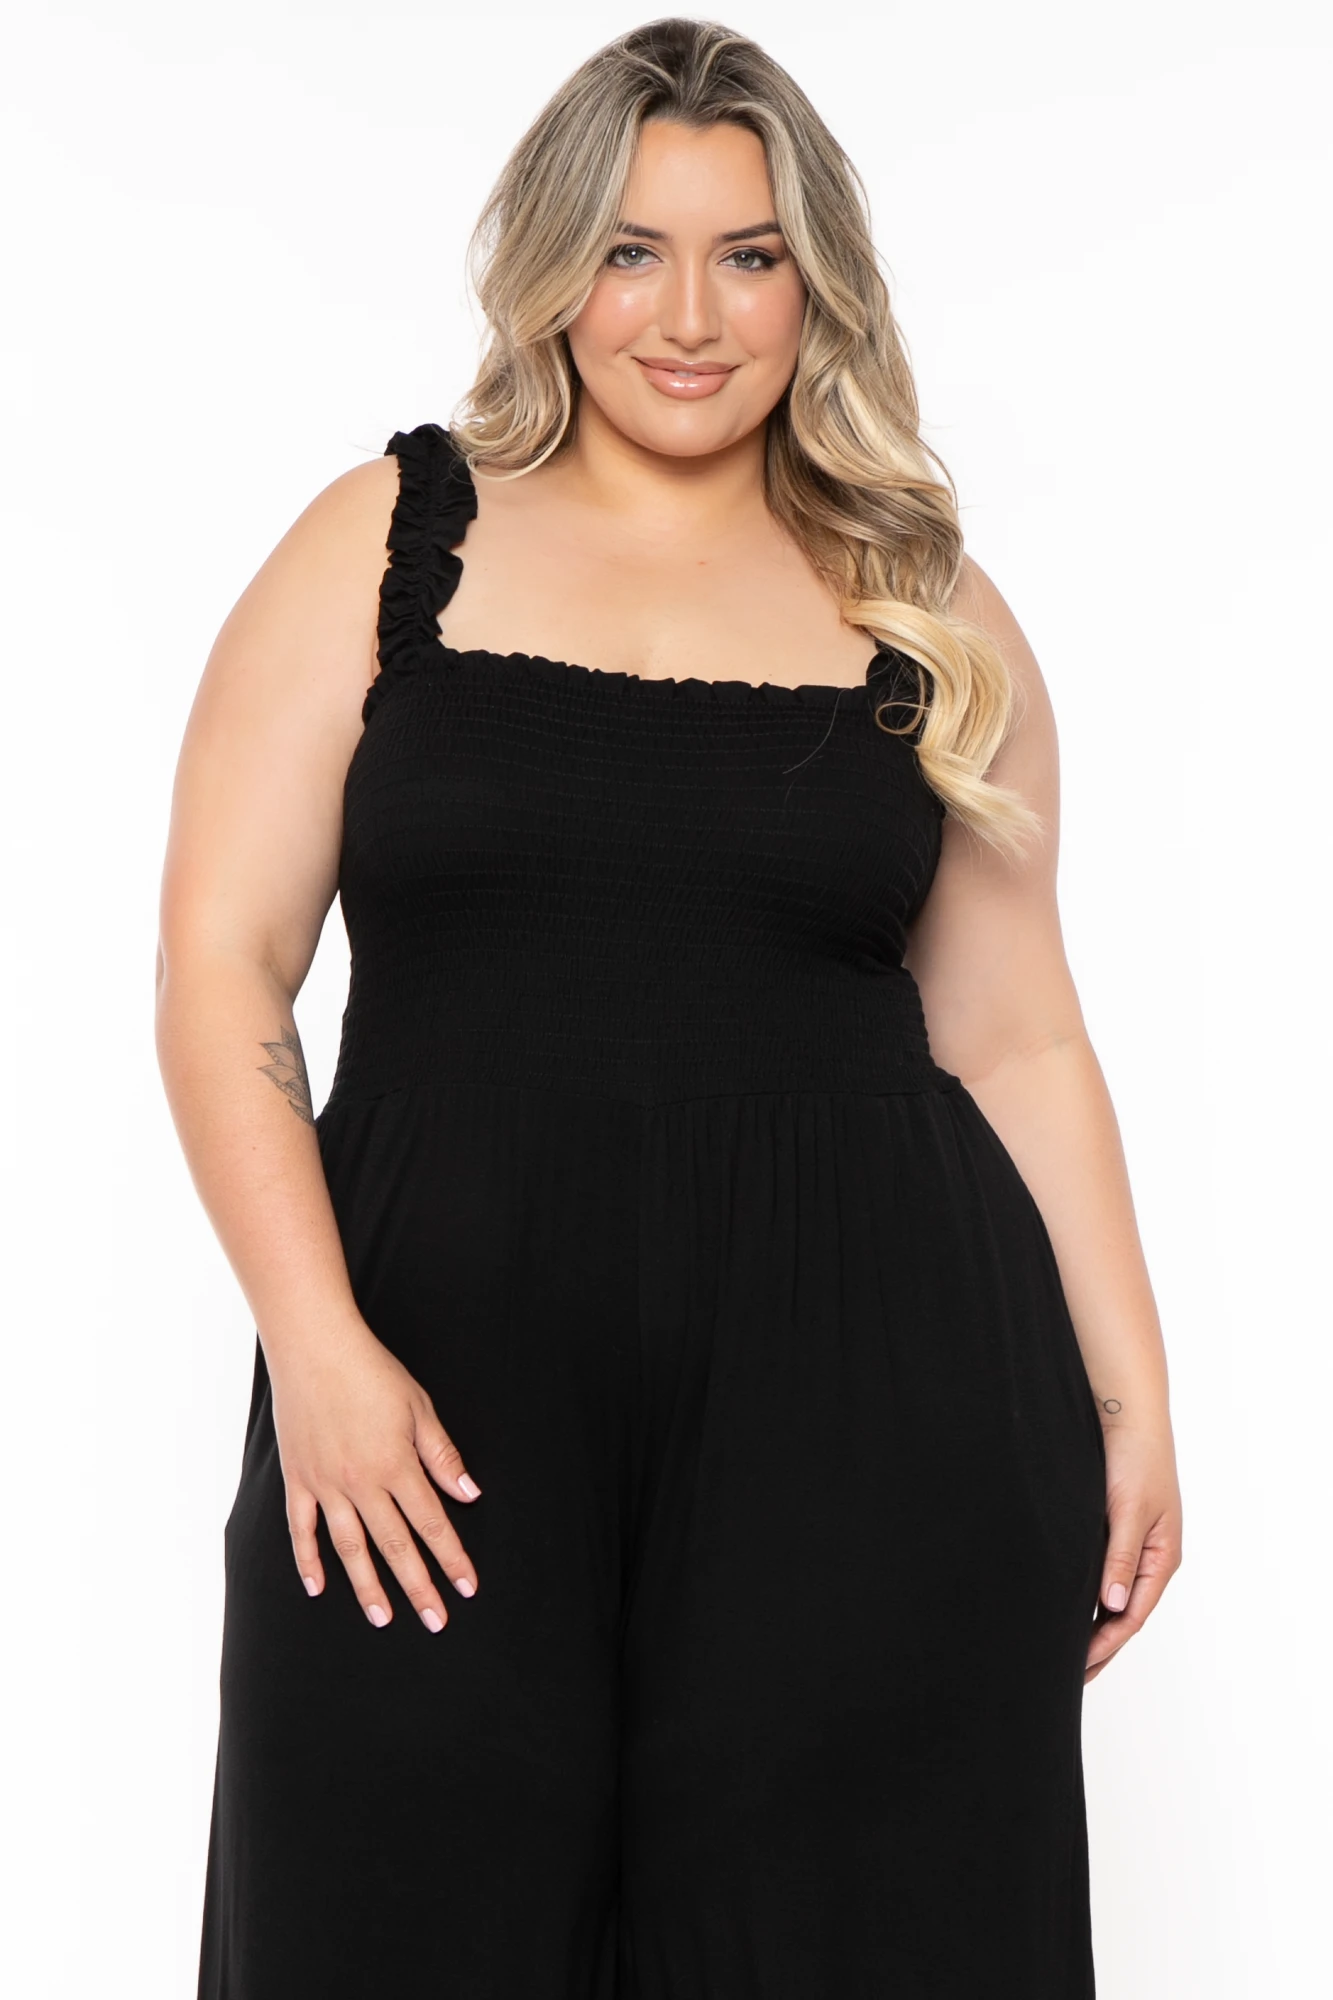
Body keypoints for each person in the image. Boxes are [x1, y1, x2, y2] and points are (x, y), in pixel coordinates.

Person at [157, 18, 1183, 1998]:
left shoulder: (923, 604)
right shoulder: (384, 543)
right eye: (632, 251)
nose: (691, 318)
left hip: (874, 1422)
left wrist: (1131, 1403)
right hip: (424, 1412)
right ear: (554, 268)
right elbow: (222, 970)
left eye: (750, 256)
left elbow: (1017, 1035)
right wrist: (317, 1350)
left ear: (819, 283)